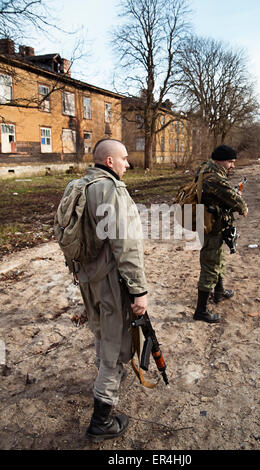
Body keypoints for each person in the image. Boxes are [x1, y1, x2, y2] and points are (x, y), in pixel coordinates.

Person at [75, 138, 148, 441]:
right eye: (125, 159)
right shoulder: (112, 189)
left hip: (88, 278)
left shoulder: (81, 186)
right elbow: (126, 245)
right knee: (115, 348)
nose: (128, 165)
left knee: (101, 334)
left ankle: (103, 380)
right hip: (109, 282)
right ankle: (101, 420)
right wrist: (139, 289)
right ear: (110, 162)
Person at [193, 144, 248, 323]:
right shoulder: (215, 177)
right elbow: (236, 203)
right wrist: (242, 205)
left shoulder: (205, 167)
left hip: (212, 223)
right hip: (212, 226)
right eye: (230, 162)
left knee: (218, 259)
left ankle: (219, 292)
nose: (232, 166)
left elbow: (219, 194)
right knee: (210, 265)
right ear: (220, 160)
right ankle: (201, 311)